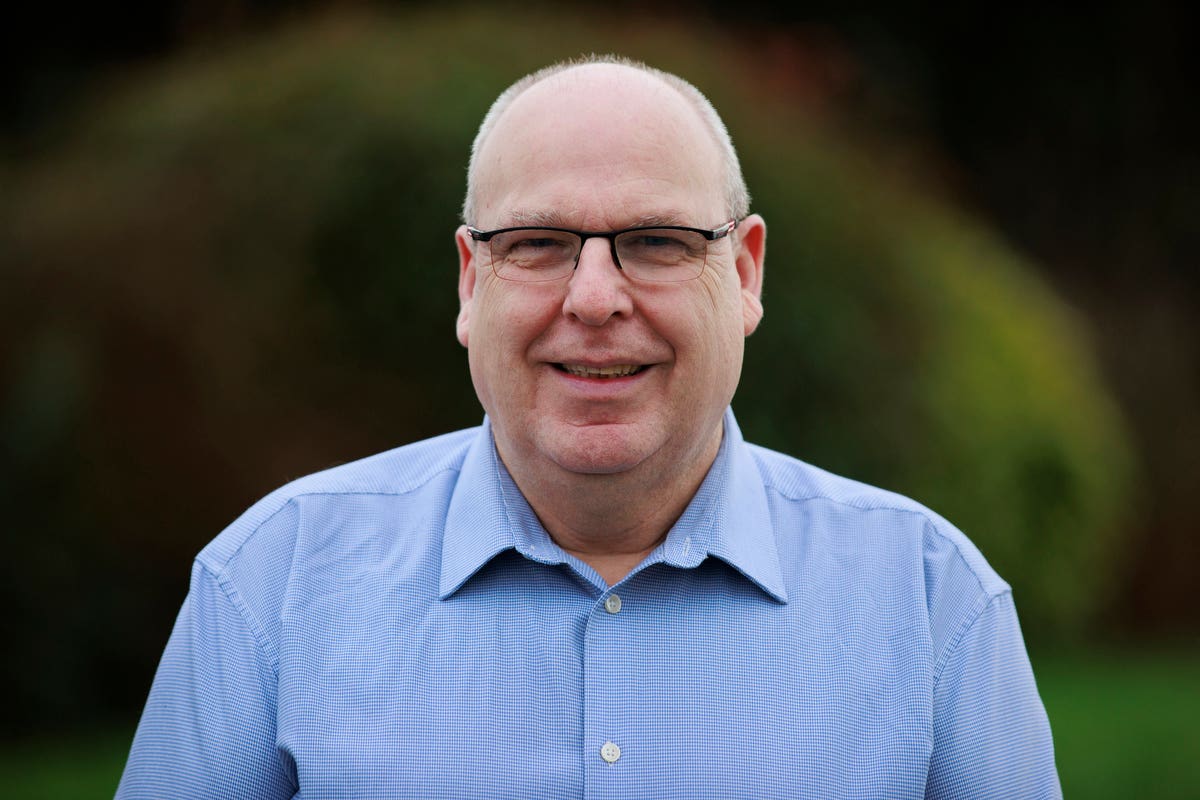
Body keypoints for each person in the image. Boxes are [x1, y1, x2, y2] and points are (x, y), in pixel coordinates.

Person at [117, 54, 1061, 798]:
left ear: (744, 275)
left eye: (657, 242)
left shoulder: (931, 603)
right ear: (468, 280)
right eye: (537, 244)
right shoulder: (272, 586)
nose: (597, 298)